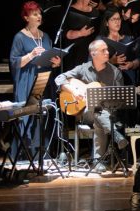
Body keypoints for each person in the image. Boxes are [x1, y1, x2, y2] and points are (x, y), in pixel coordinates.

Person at [54, 39, 127, 171]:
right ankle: (115, 135)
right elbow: (59, 78)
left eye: (107, 49)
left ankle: (97, 161)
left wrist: (109, 101)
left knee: (99, 114)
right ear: (93, 54)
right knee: (95, 108)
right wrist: (74, 91)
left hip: (107, 113)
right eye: (103, 50)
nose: (107, 52)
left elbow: (120, 100)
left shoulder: (115, 72)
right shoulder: (83, 68)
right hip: (85, 113)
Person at [9, 2, 61, 158]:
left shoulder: (45, 36)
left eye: (39, 13)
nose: (39, 16)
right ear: (26, 18)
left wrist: (55, 63)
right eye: (34, 14)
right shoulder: (20, 37)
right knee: (27, 118)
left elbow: (49, 58)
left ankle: (41, 156)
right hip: (27, 81)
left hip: (43, 80)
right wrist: (31, 55)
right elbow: (14, 62)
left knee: (43, 117)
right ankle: (24, 155)